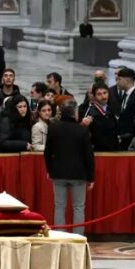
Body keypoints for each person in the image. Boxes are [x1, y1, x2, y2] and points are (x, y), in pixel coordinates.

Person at [43, 99, 95, 236]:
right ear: (74, 113)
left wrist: (49, 170)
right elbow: (88, 155)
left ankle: (60, 236)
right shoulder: (81, 129)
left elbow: (47, 152)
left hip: (58, 172)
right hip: (78, 174)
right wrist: (91, 177)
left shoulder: (53, 128)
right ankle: (78, 237)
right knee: (78, 207)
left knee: (59, 206)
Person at [110, 67, 135, 149]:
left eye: (119, 79)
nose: (117, 82)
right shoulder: (125, 95)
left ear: (127, 80)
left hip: (130, 140)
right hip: (122, 138)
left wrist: (125, 136)